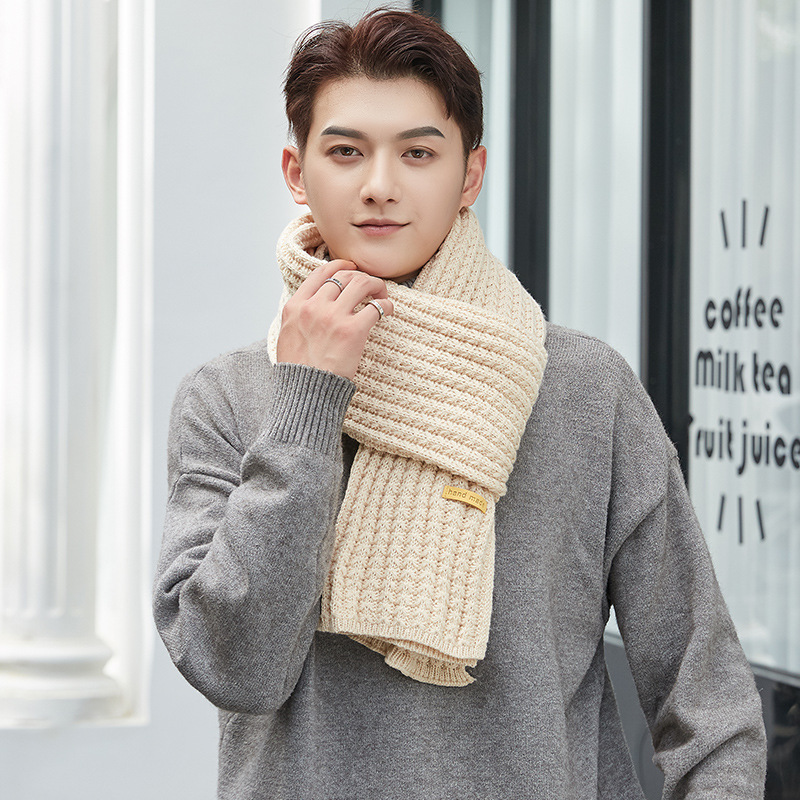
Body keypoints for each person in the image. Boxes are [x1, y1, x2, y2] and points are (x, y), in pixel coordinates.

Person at [153, 9, 767, 799]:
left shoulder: (583, 390)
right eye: (345, 151)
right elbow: (234, 666)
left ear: (470, 174)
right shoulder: (230, 398)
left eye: (418, 152)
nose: (380, 185)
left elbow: (709, 704)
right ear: (296, 172)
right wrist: (308, 401)